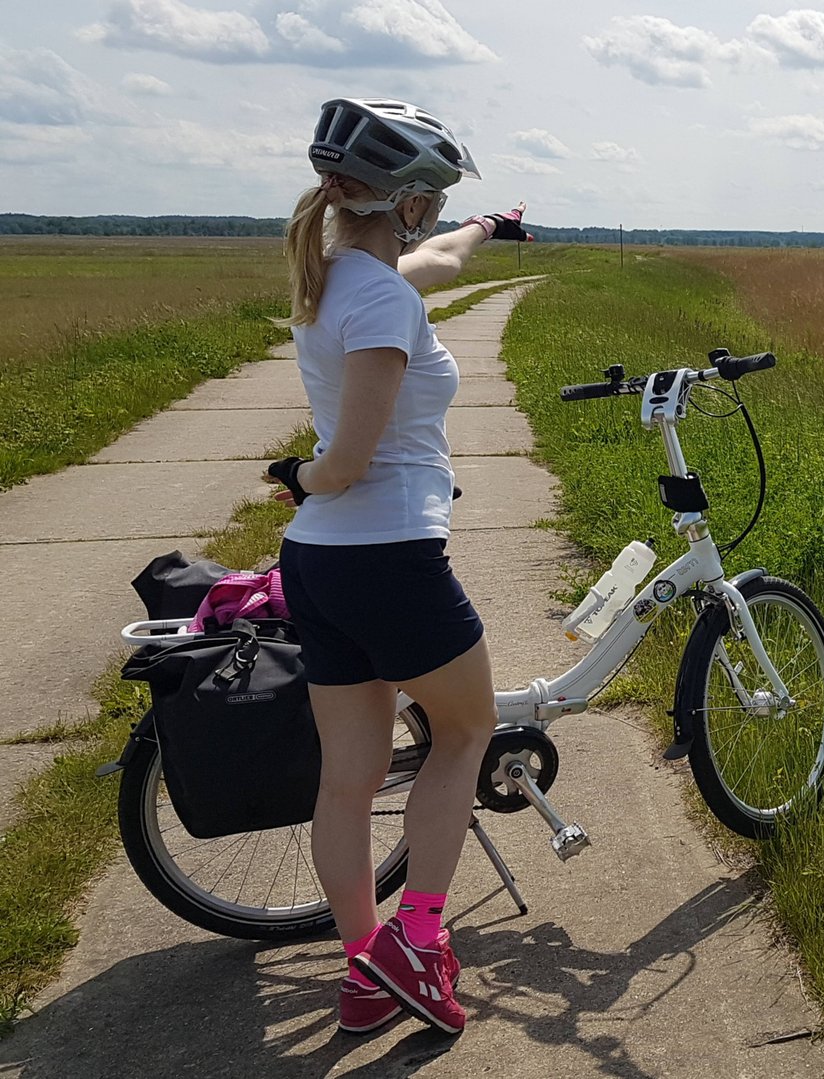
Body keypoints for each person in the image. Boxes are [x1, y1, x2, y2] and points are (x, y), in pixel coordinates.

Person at [265, 97, 531, 1036]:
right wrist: (295, 471)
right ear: (408, 199)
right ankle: (420, 941)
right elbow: (345, 466)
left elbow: (440, 261)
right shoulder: (379, 302)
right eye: (437, 200)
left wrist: (487, 228)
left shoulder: (338, 274)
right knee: (467, 733)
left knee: (348, 777)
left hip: (323, 569)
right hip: (389, 557)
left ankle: (365, 970)